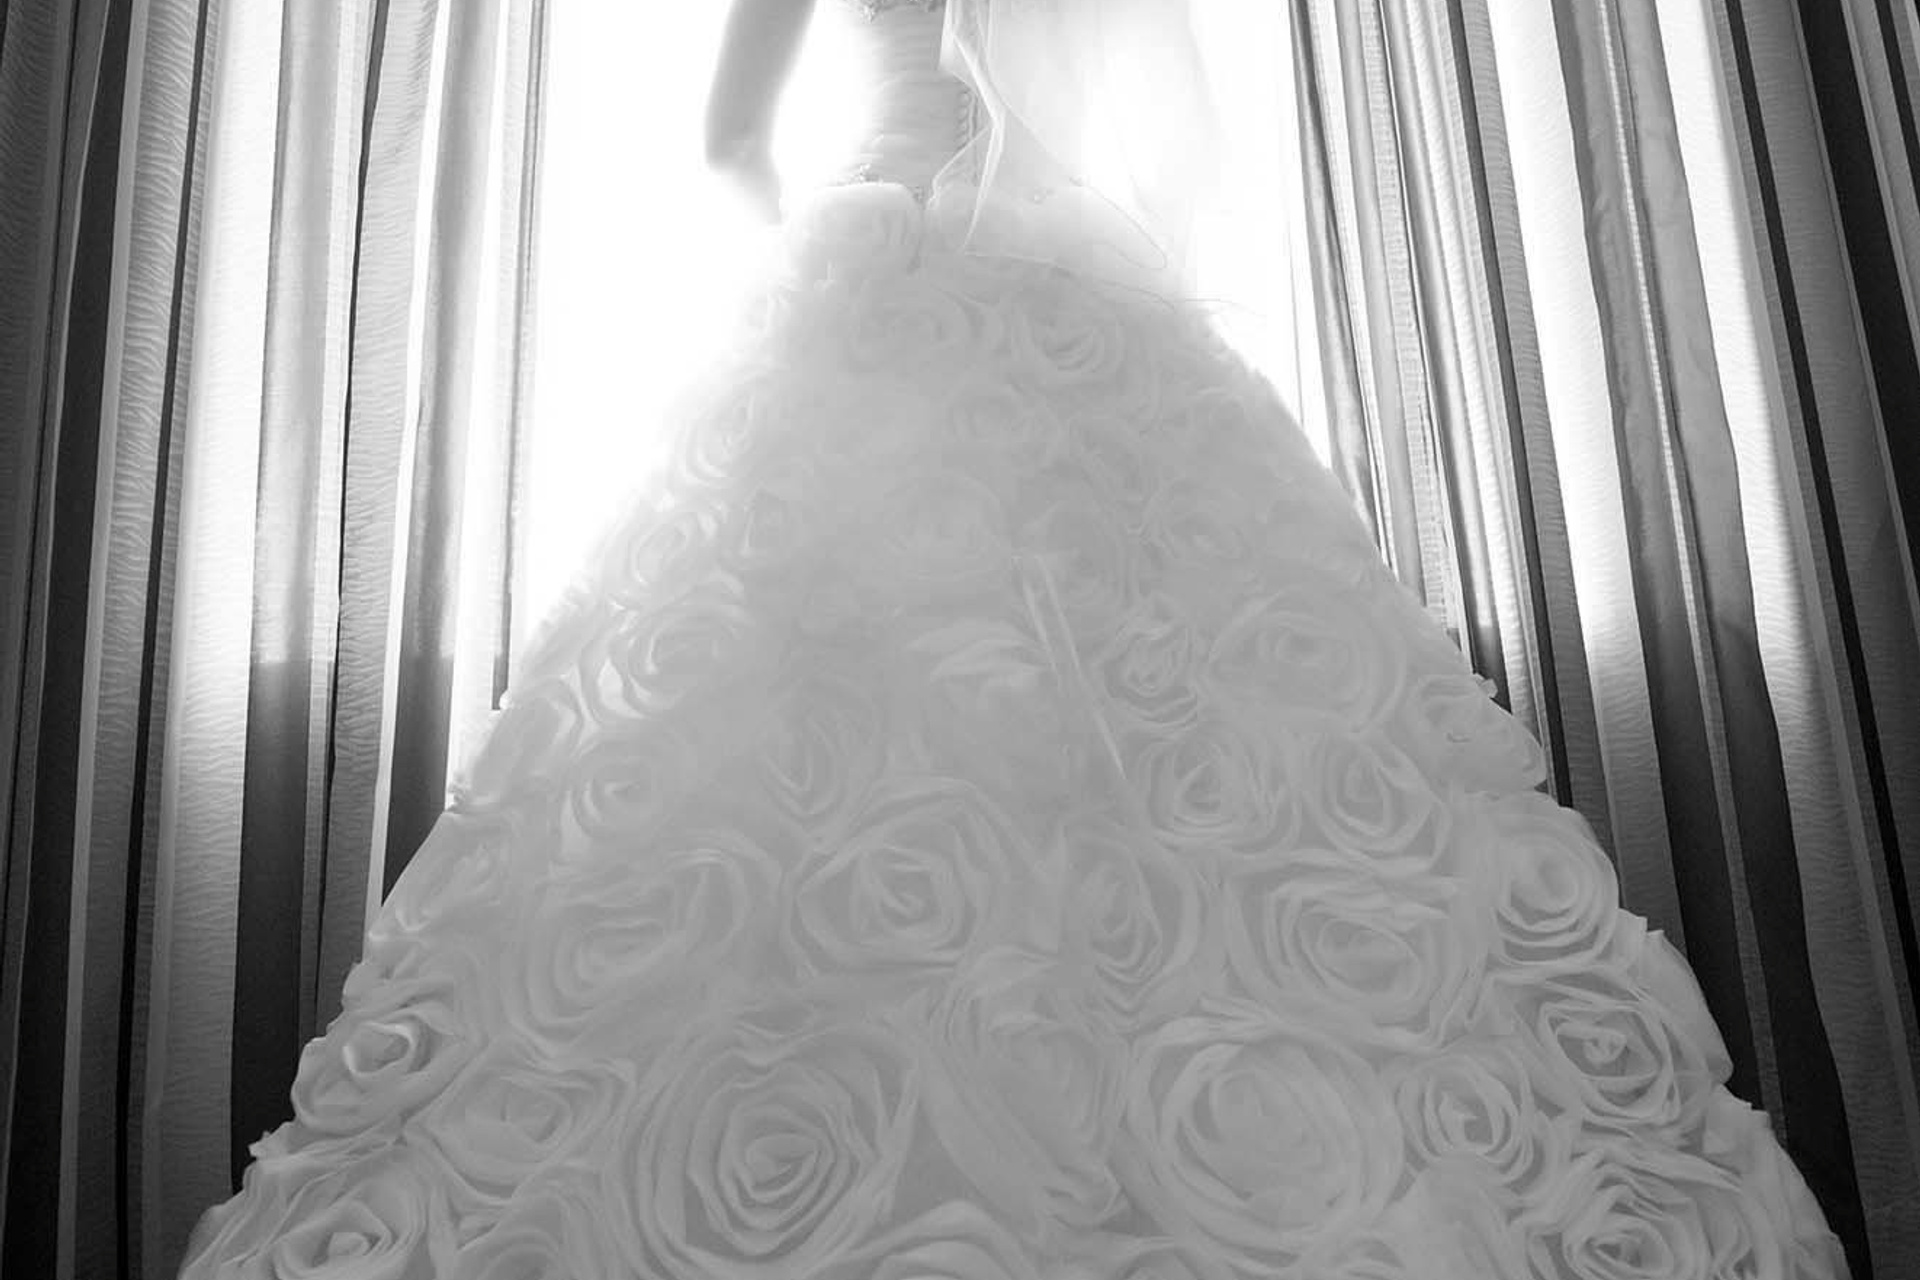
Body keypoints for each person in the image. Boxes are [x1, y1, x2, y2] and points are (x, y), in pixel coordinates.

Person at [179, 1, 1852, 1277]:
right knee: (1161, 754)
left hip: (868, 291)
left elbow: (725, 143)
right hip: (1081, 310)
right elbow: (1166, 142)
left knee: (804, 755)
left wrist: (827, 264)